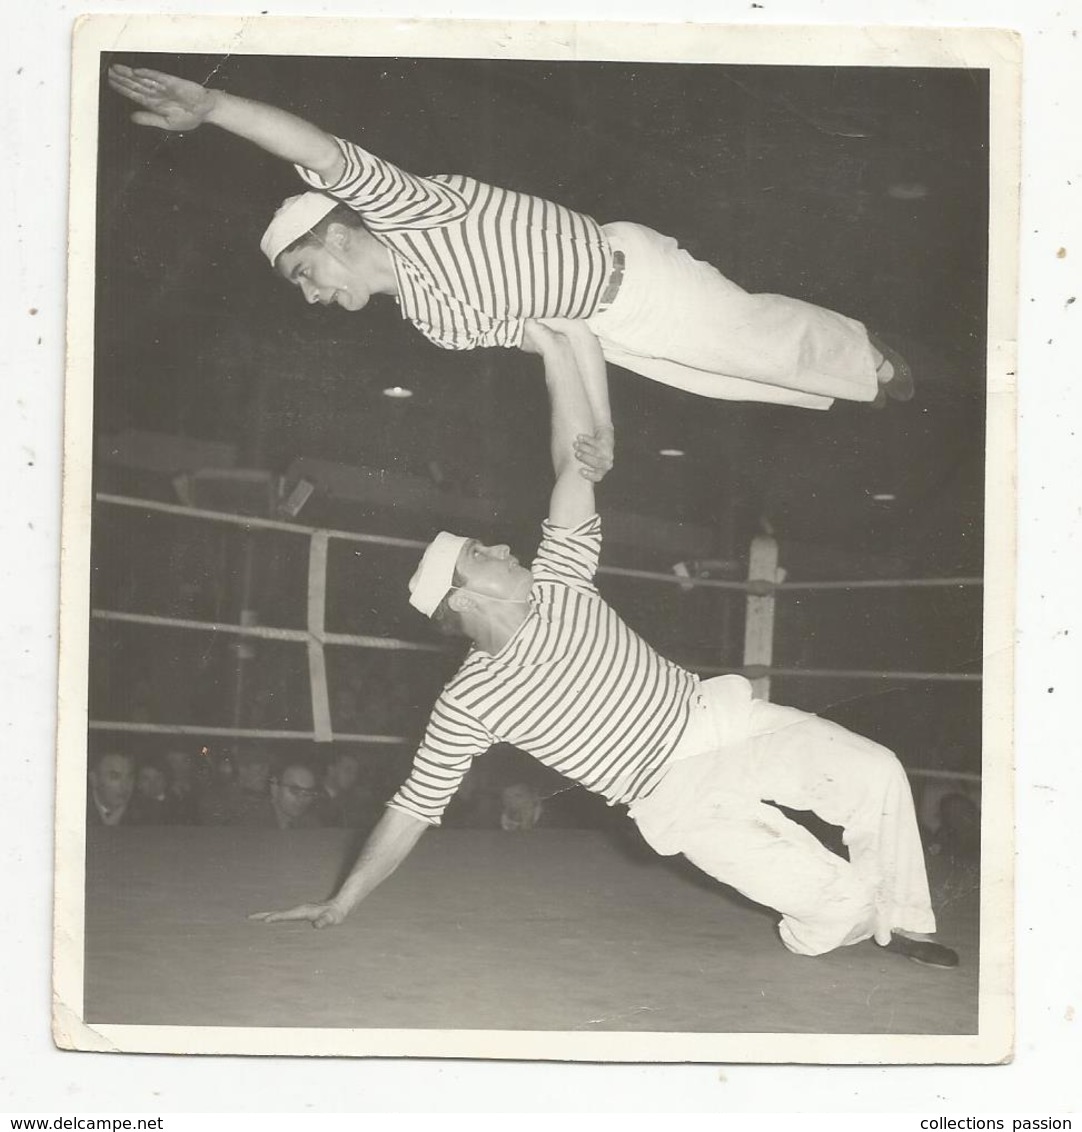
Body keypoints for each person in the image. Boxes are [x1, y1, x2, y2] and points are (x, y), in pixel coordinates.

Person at [251, 321, 954, 968]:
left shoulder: (559, 579)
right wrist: (343, 900)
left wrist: (559, 364)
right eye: (481, 553)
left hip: (724, 722)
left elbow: (571, 470)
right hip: (674, 799)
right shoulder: (469, 701)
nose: (499, 545)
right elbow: (413, 806)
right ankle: (848, 910)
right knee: (834, 909)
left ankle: (910, 919)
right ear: (464, 599)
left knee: (876, 771)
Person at [107, 64, 914, 421]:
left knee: (745, 338)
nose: (311, 295)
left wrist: (212, 110)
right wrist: (594, 427)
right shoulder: (435, 322)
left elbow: (316, 150)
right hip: (608, 328)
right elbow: (555, 338)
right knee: (724, 380)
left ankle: (864, 350)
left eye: (304, 273)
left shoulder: (407, 211)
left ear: (339, 230)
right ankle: (856, 385)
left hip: (633, 276)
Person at [86, 751, 137, 827]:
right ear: (94, 779)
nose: (125, 786)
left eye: (129, 777)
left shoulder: (149, 812)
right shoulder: (76, 809)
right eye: (115, 777)